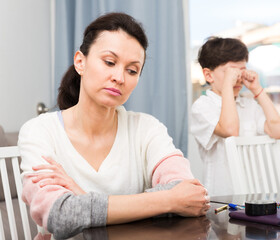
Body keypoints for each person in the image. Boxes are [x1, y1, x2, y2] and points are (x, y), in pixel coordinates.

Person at [18, 12, 210, 239]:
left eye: (132, 70)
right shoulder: (39, 131)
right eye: (109, 62)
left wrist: (80, 196)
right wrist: (168, 200)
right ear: (80, 62)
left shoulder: (147, 129)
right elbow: (60, 216)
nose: (119, 77)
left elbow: (190, 195)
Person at [191, 37, 280, 197]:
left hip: (256, 195)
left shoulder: (249, 105)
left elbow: (279, 131)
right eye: (230, 71)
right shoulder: (203, 106)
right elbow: (230, 130)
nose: (237, 78)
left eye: (241, 70)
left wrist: (257, 90)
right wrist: (228, 84)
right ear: (208, 75)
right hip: (222, 197)